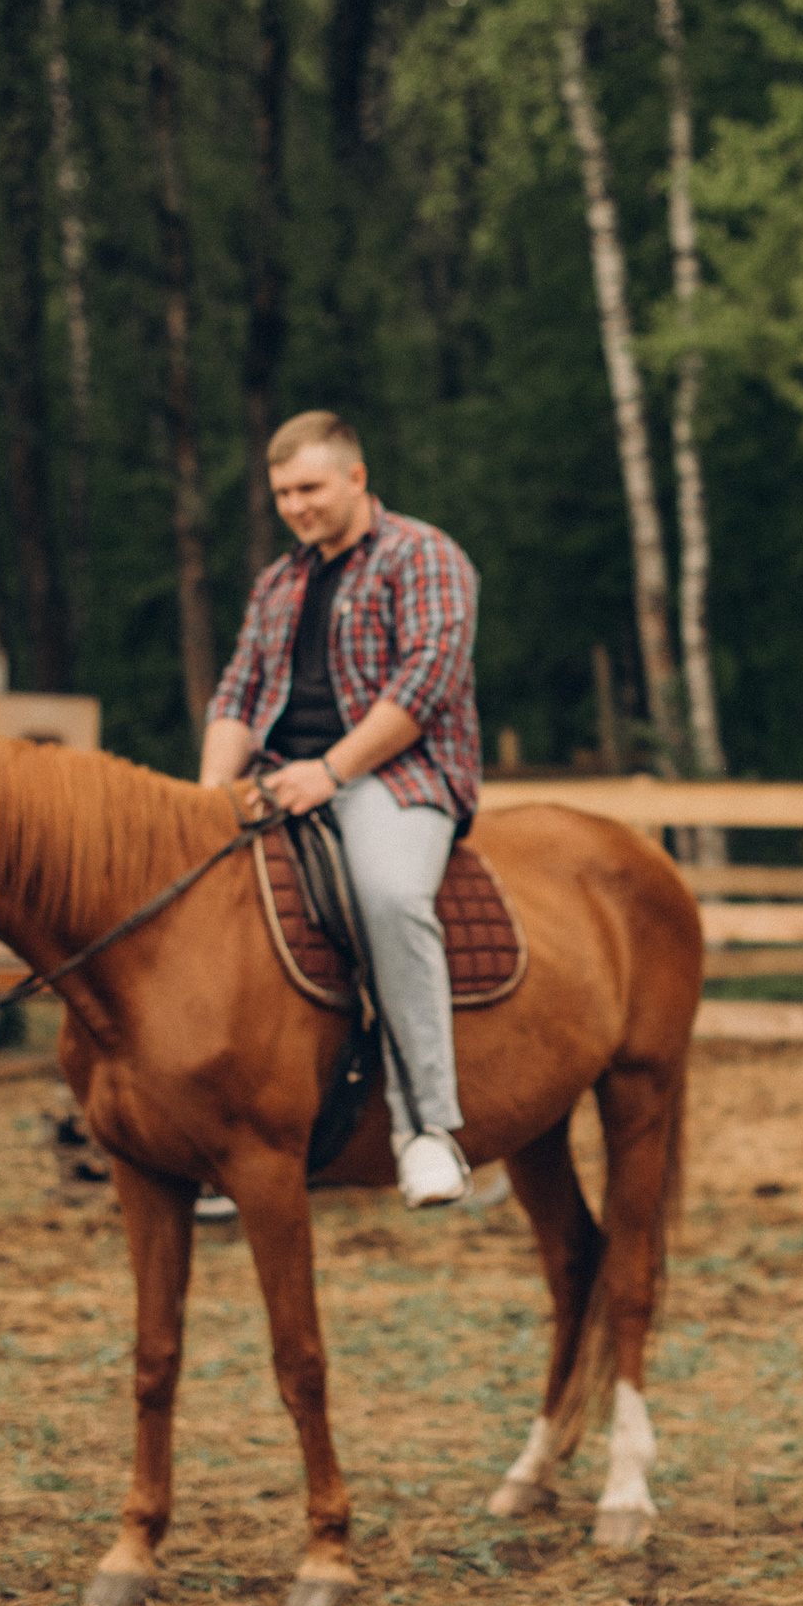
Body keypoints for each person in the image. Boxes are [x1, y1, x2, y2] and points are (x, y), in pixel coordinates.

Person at [199, 410, 483, 1209]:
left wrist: (330, 770)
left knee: (390, 898)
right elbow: (238, 693)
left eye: (311, 487)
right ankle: (226, 1134)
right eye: (284, 492)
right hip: (283, 775)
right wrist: (210, 799)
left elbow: (425, 682)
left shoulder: (422, 555)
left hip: (397, 775)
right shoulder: (279, 582)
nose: (297, 505)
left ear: (356, 478)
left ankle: (426, 1128)